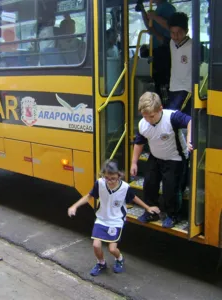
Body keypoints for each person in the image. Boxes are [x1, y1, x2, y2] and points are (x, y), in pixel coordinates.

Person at [68, 160, 160, 276]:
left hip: (116, 220)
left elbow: (134, 198)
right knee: (96, 245)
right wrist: (74, 206)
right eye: (107, 178)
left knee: (112, 249)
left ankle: (119, 259)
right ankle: (101, 263)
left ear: (119, 175)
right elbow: (89, 196)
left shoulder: (125, 187)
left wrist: (147, 208)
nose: (110, 181)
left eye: (113, 178)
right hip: (102, 218)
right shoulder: (100, 183)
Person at [130, 92, 192, 228]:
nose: (149, 120)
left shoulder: (172, 117)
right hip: (156, 156)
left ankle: (172, 215)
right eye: (145, 116)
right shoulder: (143, 124)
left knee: (171, 189)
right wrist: (134, 162)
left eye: (151, 116)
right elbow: (139, 143)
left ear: (160, 109)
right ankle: (152, 211)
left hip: (175, 158)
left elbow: (190, 122)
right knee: (149, 184)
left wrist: (189, 139)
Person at [138, 0, 176, 103]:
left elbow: (171, 26)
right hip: (156, 50)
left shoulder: (168, 8)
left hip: (165, 49)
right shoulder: (158, 9)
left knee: (164, 82)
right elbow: (150, 28)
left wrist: (154, 17)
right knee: (157, 81)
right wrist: (143, 11)